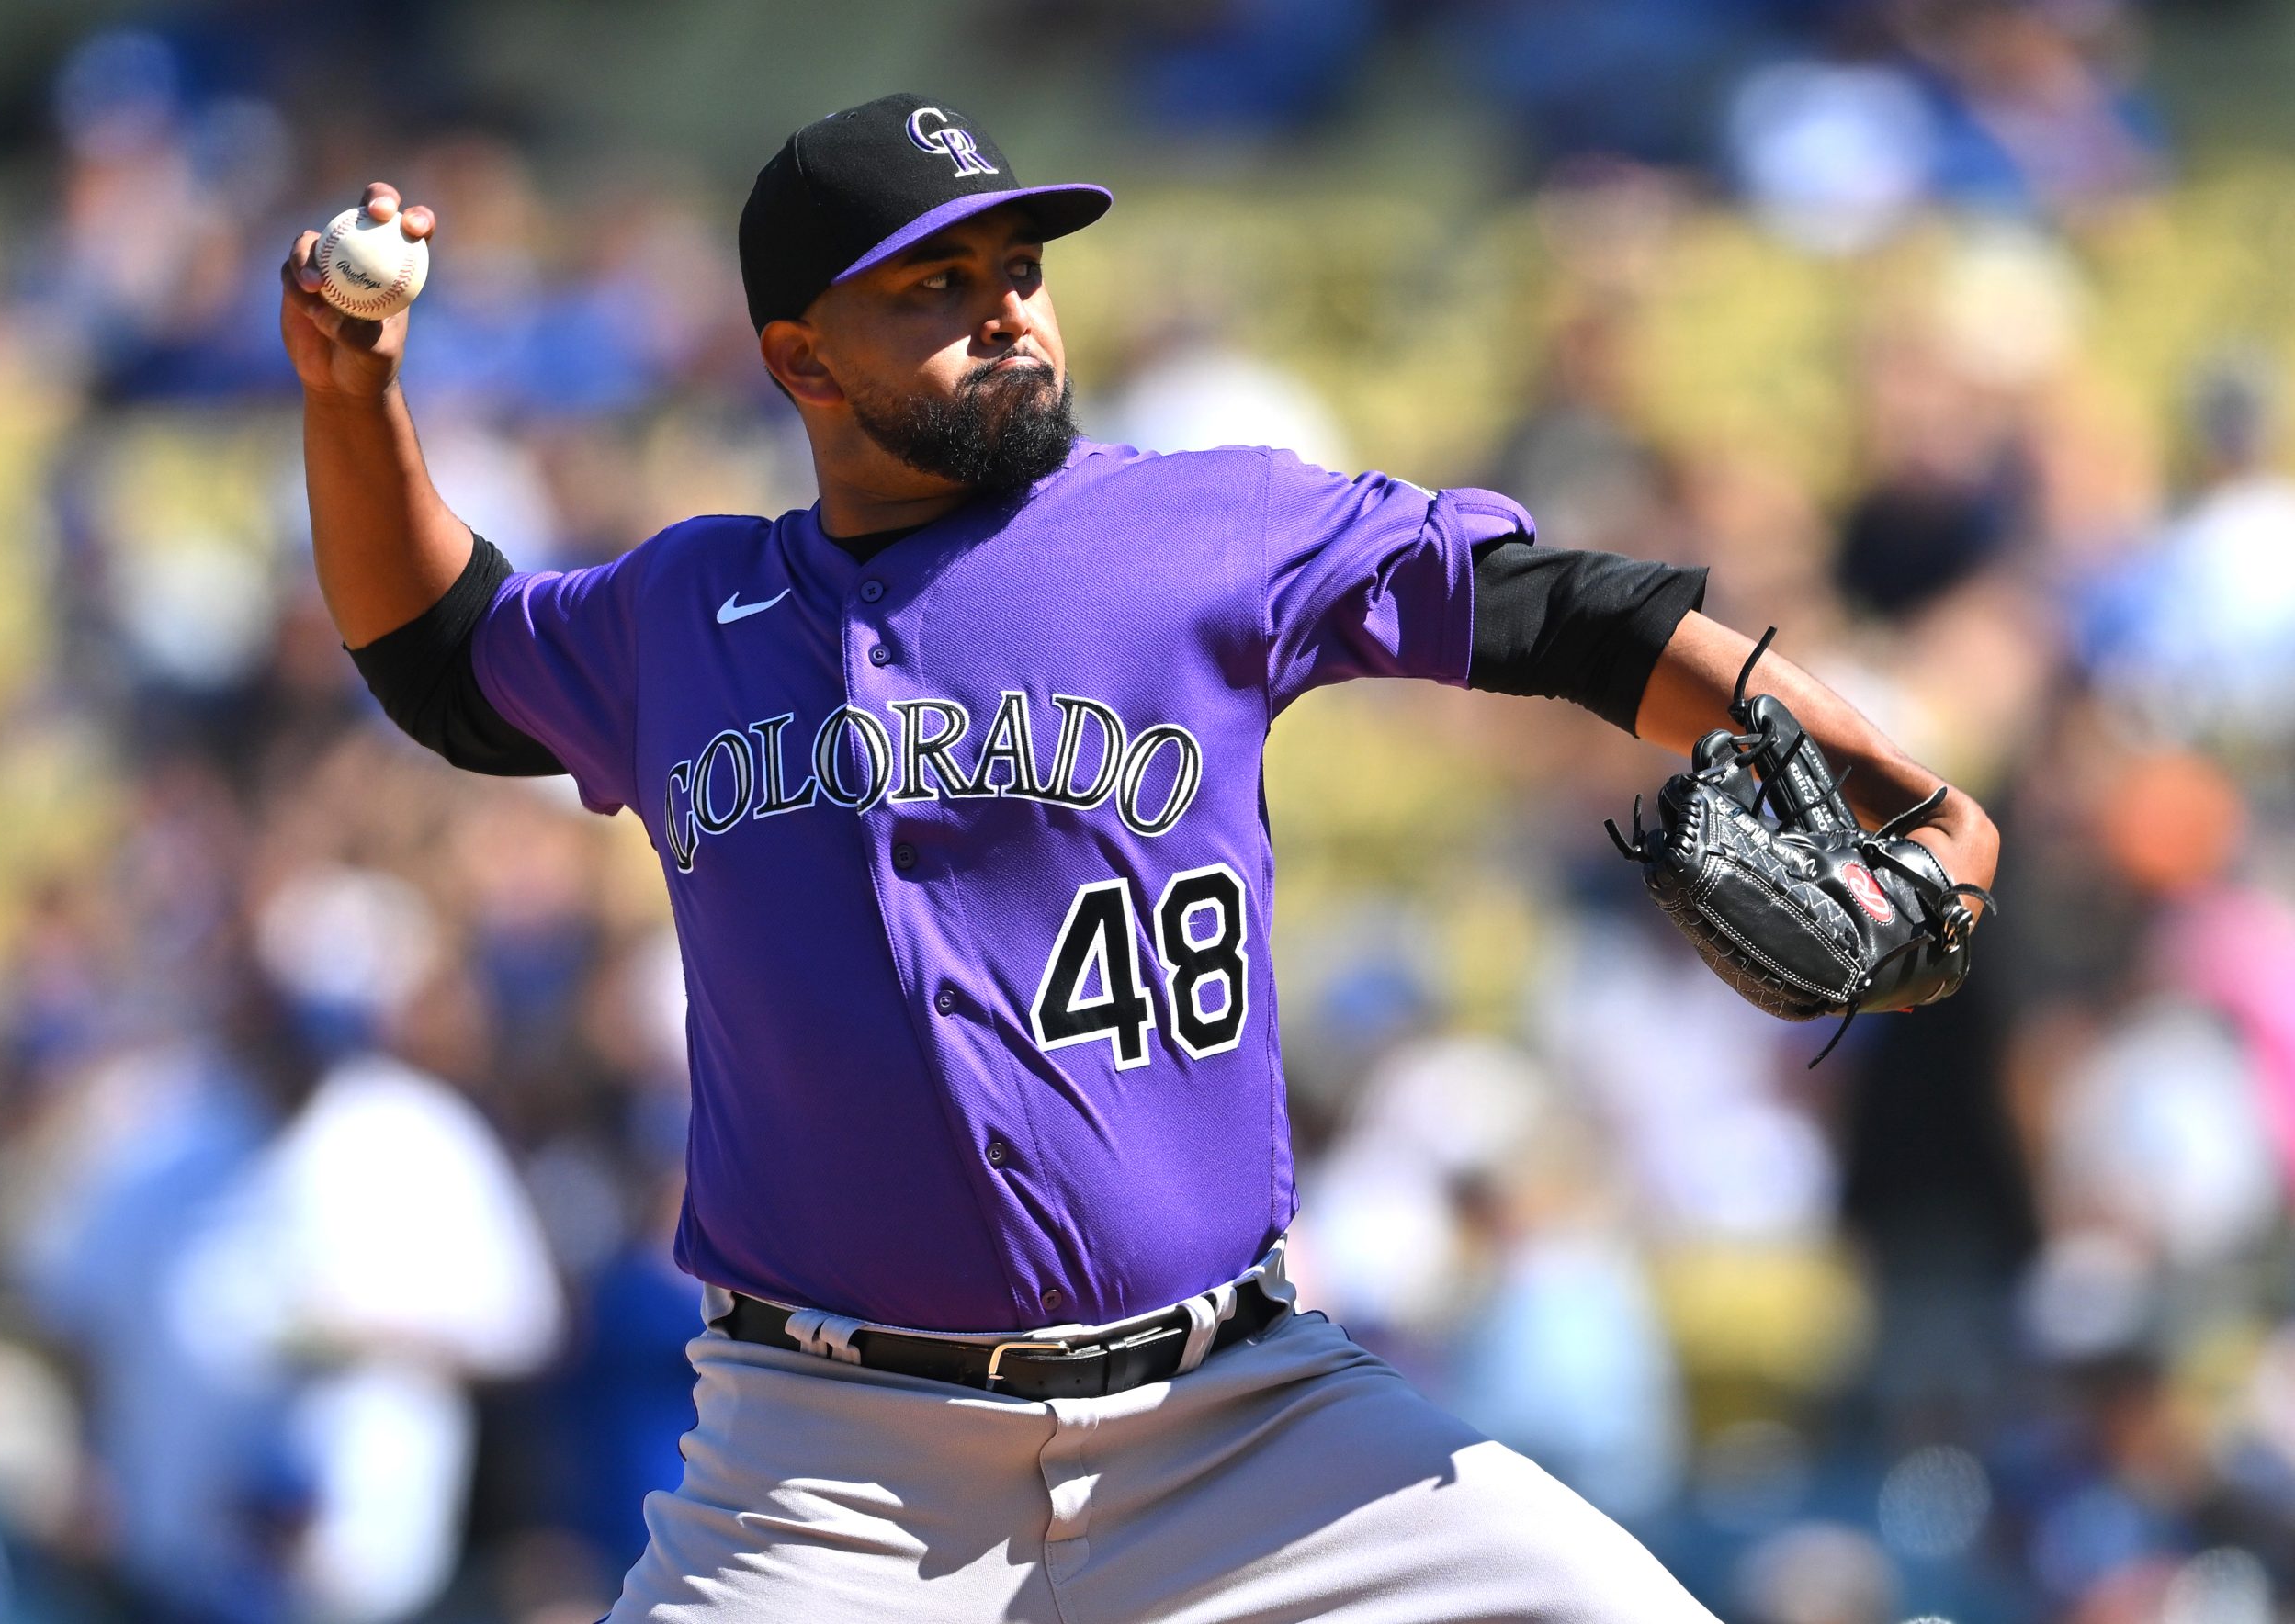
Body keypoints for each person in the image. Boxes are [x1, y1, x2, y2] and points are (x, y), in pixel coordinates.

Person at [279, 93, 1998, 1623]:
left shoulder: (1203, 527)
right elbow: (441, 652)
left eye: (1017, 267)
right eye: (931, 290)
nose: (1005, 313)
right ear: (802, 361)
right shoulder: (682, 609)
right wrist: (351, 392)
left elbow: (1553, 609)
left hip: (1246, 1424)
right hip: (831, 1472)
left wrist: (1878, 769)